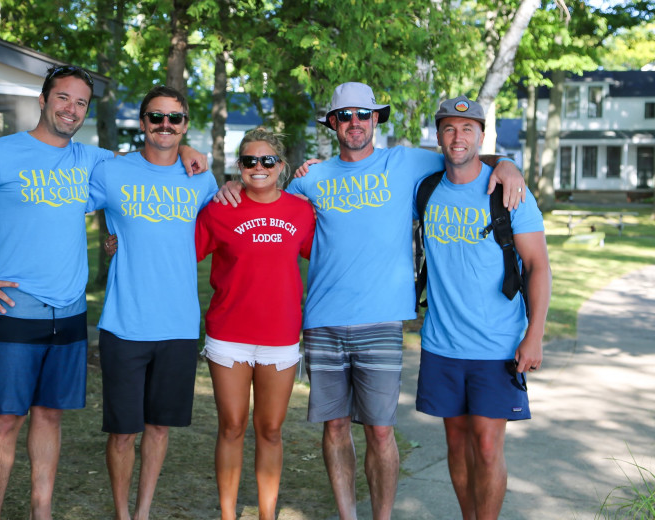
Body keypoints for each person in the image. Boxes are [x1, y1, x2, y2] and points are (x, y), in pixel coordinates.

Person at [217, 82, 526, 520]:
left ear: (376, 119)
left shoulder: (405, 161)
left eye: (363, 114)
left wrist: (509, 164)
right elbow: (264, 189)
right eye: (345, 116)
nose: (355, 123)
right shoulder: (312, 178)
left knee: (381, 432)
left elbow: (464, 156)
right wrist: (232, 184)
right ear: (332, 124)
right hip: (323, 320)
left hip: (382, 321)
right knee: (336, 427)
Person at [0, 66, 206, 520]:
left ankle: (42, 512)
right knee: (4, 421)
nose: (70, 109)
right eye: (63, 98)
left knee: (50, 416)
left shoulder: (94, 160)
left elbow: (153, 154)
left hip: (70, 310)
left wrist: (188, 146)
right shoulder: (0, 153)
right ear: (43, 99)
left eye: (80, 102)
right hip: (15, 307)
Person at [414, 96, 551, 520]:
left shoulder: (509, 191)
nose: (459, 138)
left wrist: (535, 335)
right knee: (455, 446)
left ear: (482, 135)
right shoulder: (426, 187)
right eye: (450, 129)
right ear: (438, 135)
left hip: (498, 344)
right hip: (442, 343)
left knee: (487, 446)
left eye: (468, 128)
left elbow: (538, 266)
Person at [87, 85, 218, 520]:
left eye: (175, 118)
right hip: (125, 323)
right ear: (142, 123)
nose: (165, 125)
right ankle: (122, 513)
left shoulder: (201, 177)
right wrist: (109, 241)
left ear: (185, 125)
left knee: (159, 427)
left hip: (179, 325)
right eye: (156, 117)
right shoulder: (110, 172)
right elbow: (63, 209)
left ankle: (143, 512)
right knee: (123, 432)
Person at [195, 128, 315, 519]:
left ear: (281, 166)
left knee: (271, 430)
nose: (258, 167)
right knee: (231, 426)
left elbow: (330, 255)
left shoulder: (301, 211)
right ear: (238, 166)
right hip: (229, 334)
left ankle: (267, 514)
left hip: (279, 336)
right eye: (249, 161)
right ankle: (228, 514)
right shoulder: (218, 209)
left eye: (267, 160)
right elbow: (180, 254)